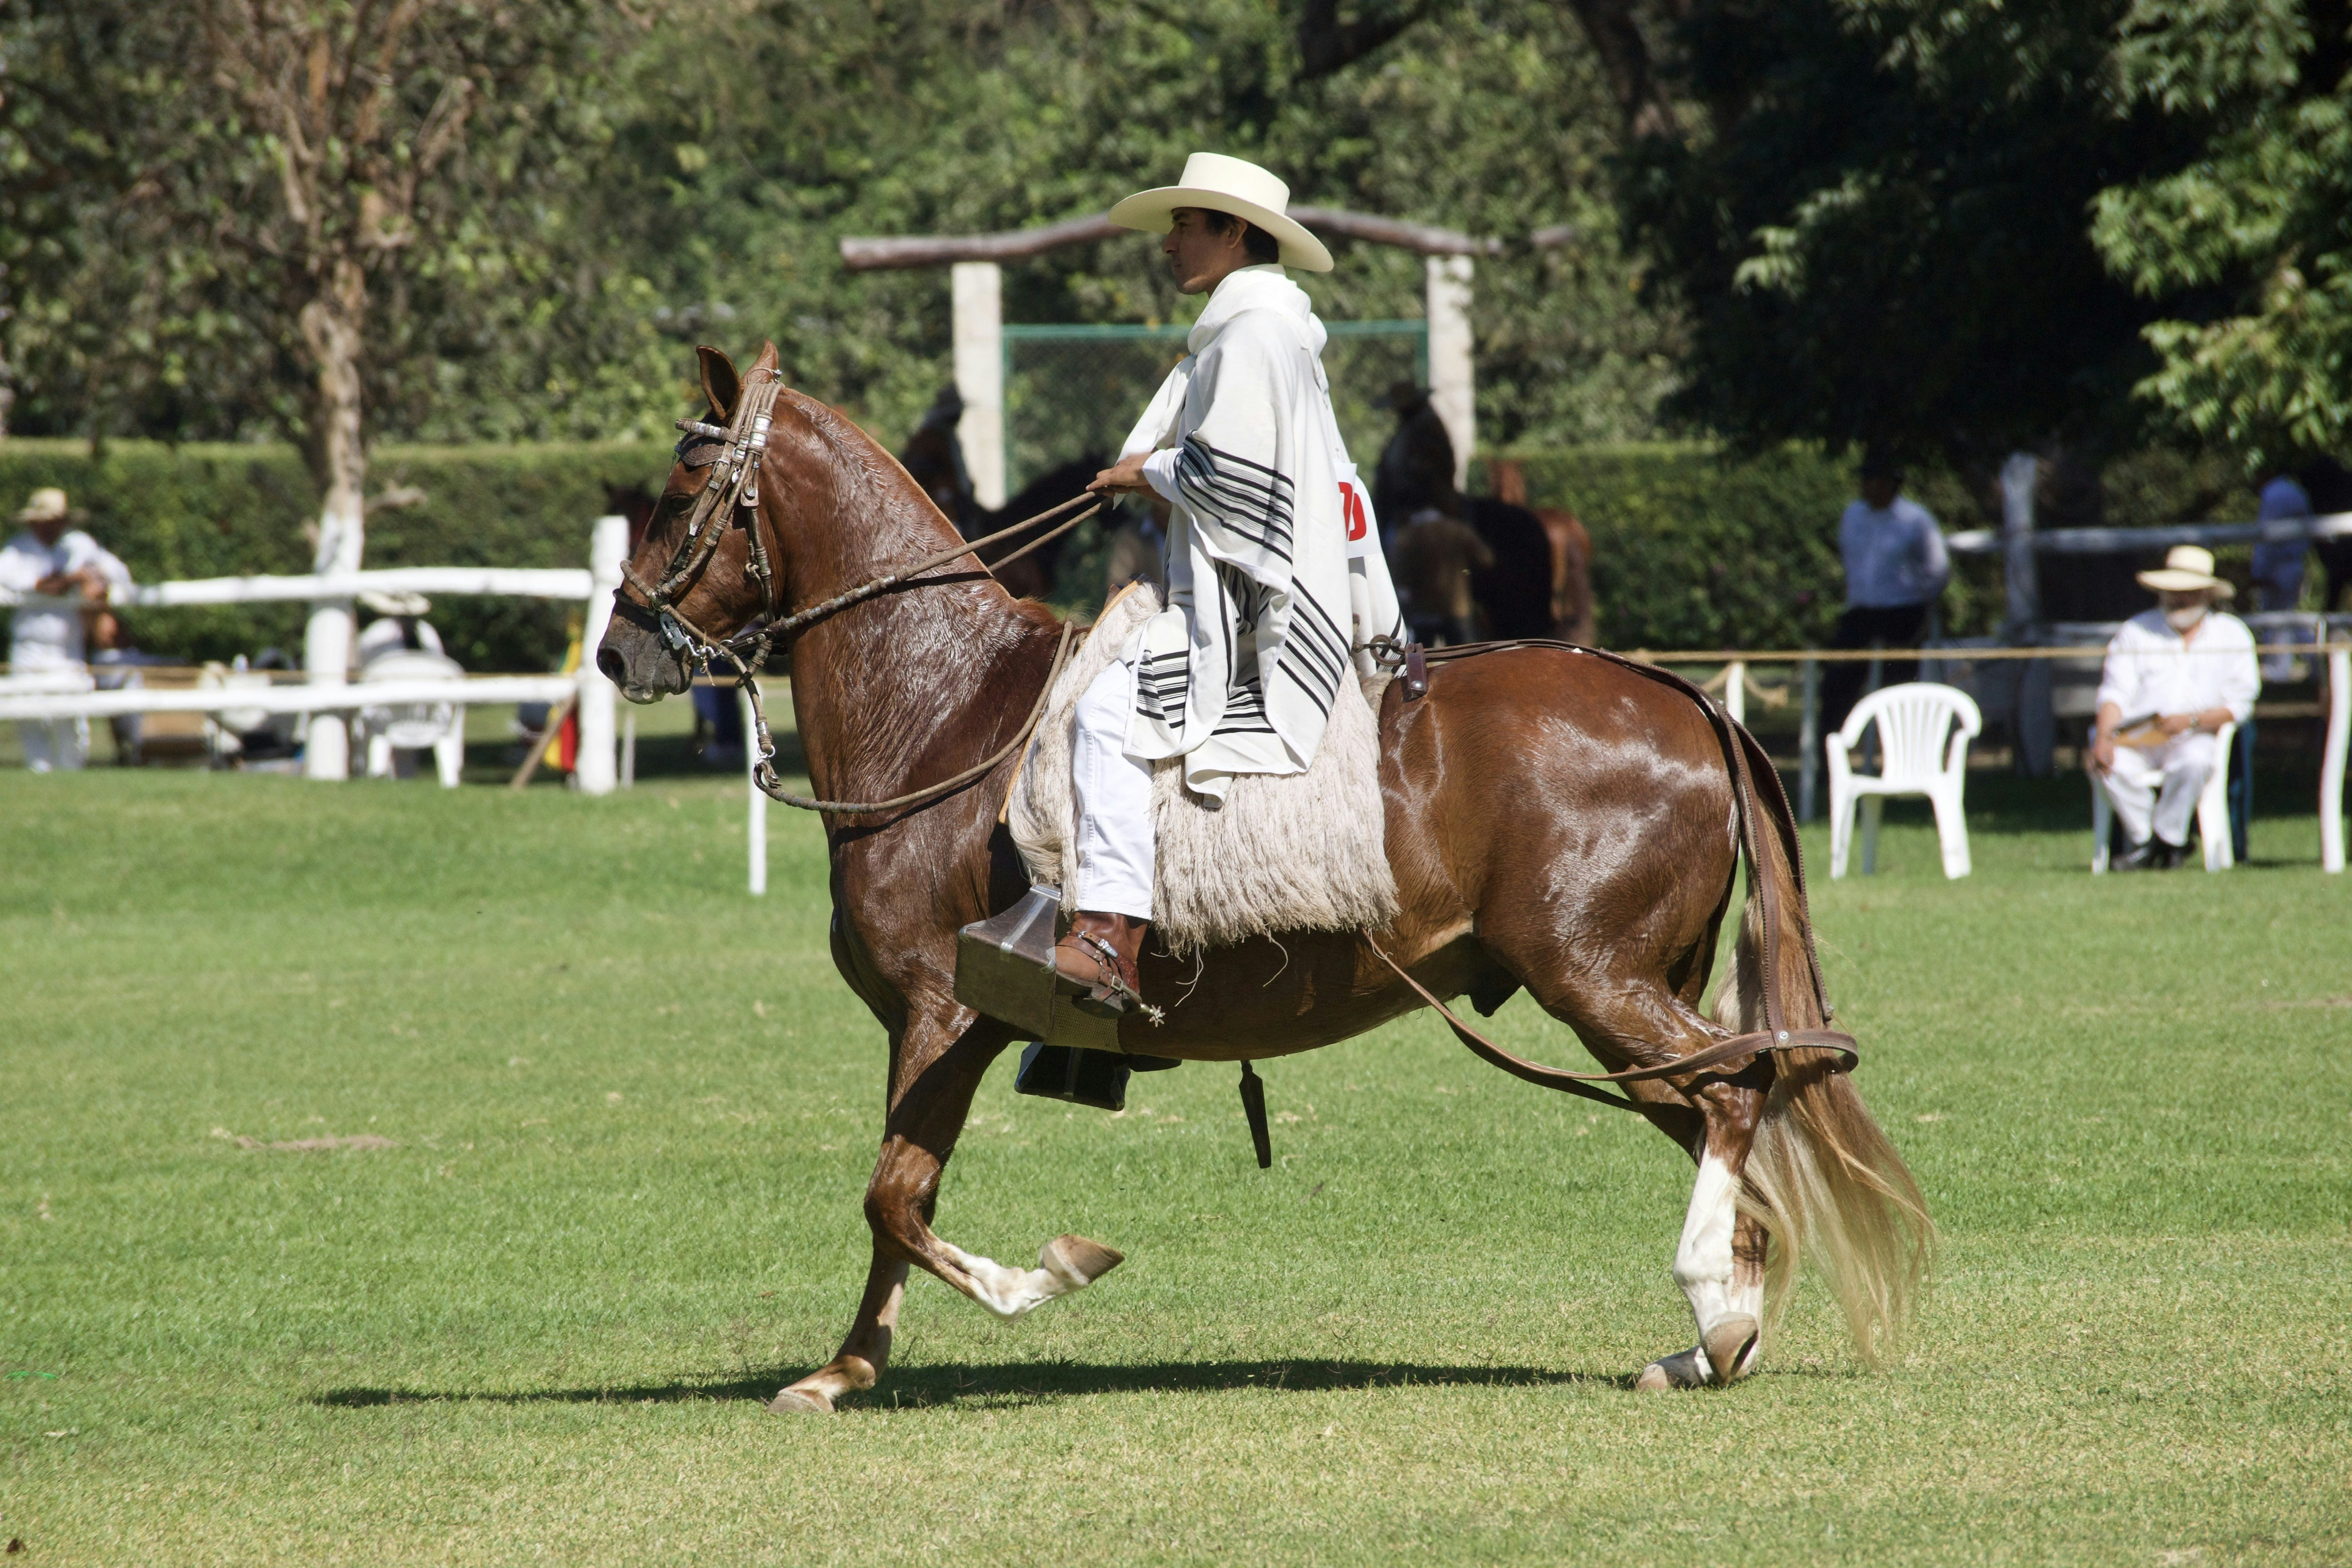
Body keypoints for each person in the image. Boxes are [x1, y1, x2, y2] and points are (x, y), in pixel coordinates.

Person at [1063, 152, 1403, 1016]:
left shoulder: (1250, 333)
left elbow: (1236, 480)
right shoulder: (1265, 327)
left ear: (1235, 233)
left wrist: (1148, 470)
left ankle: (1111, 936)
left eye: (1186, 224)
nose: (1169, 242)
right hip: (1290, 589)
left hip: (1263, 618)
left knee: (1103, 712)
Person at [2088, 546, 2260, 870]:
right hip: (2139, 735)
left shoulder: (2232, 634)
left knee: (2195, 762)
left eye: (2189, 593)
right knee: (2110, 763)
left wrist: (2192, 721)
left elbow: (2241, 705)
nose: (2179, 600)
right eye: (2172, 592)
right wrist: (2104, 737)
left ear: (2208, 595)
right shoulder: (2136, 631)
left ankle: (2162, 842)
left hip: (2195, 734)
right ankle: (2154, 842)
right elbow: (2114, 691)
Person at [1, 487, 131, 772]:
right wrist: (75, 577)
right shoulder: (16, 551)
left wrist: (97, 580)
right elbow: (45, 586)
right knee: (31, 716)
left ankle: (71, 775)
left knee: (71, 719)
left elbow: (118, 572)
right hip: (30, 648)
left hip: (68, 649)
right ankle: (39, 774)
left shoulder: (80, 544)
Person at [1821, 456, 1950, 738]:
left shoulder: (1915, 519)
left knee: (1899, 686)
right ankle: (1827, 762)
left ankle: (1902, 757)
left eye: (1873, 480)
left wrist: (1916, 597)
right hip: (1862, 612)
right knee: (1836, 682)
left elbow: (1938, 570)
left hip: (1902, 612)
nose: (1866, 487)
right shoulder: (1853, 515)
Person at [2249, 468, 2312, 680]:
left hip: (2277, 564)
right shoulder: (2296, 492)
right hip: (2296, 561)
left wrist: (2259, 570)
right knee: (2287, 614)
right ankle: (2312, 658)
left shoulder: (2272, 494)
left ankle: (2280, 668)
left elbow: (2266, 535)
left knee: (2277, 616)